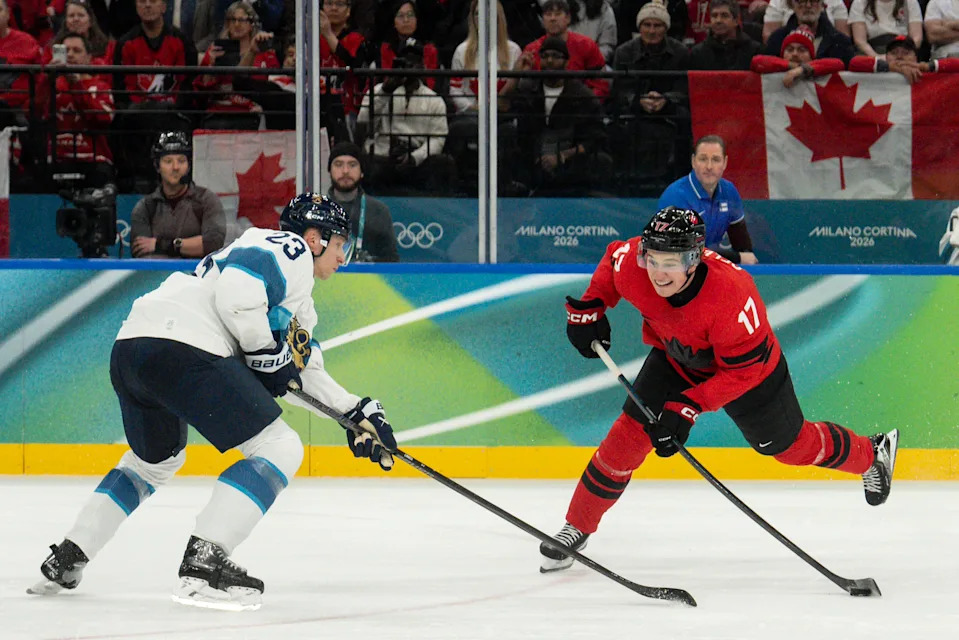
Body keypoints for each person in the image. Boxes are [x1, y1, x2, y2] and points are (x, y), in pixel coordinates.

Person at [28, 193, 398, 611]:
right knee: (279, 446)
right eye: (339, 244)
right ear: (314, 238)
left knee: (153, 461)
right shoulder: (289, 250)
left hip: (134, 346)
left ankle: (69, 554)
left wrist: (353, 412)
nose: (341, 256)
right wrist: (263, 352)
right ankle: (204, 562)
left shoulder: (295, 298)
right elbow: (242, 292)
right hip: (186, 345)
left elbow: (300, 369)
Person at [538, 207, 899, 572]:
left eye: (671, 262)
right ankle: (576, 527)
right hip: (678, 357)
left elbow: (741, 373)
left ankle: (871, 452)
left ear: (693, 259)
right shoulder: (634, 264)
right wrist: (589, 309)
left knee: (790, 448)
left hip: (748, 375)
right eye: (653, 259)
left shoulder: (731, 295)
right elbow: (613, 259)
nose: (658, 273)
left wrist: (687, 407)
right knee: (627, 436)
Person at [658, 135, 758, 265]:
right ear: (693, 161)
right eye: (703, 159)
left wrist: (744, 256)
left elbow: (743, 246)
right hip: (674, 269)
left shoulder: (729, 191)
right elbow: (685, 253)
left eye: (716, 160)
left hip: (710, 266)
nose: (709, 166)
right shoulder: (676, 196)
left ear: (725, 163)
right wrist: (737, 258)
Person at [129, 131, 226, 259]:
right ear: (157, 166)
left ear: (189, 165)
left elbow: (213, 245)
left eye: (181, 161)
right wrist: (190, 247)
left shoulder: (207, 199)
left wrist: (162, 245)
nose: (175, 167)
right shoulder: (145, 207)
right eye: (168, 161)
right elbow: (142, 252)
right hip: (159, 277)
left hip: (198, 277)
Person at [194, 0, 280, 130]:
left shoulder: (265, 53)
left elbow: (273, 88)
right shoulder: (215, 50)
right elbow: (201, 93)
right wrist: (210, 68)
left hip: (252, 113)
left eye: (242, 20)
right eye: (232, 20)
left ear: (252, 24)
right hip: (219, 113)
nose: (237, 24)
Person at [326, 141, 399, 262]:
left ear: (362, 172)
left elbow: (391, 260)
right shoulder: (316, 209)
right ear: (329, 171)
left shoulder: (378, 211)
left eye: (352, 165)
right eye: (338, 164)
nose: (345, 171)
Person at [764, 0, 856, 65]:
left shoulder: (840, 42)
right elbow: (764, 64)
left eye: (814, 1)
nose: (808, 5)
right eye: (802, 1)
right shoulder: (777, 39)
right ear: (793, 5)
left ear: (822, 6)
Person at [751, 25, 845, 87]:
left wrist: (803, 69)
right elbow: (756, 61)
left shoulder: (817, 68)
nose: (795, 54)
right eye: (790, 49)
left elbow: (838, 63)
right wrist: (793, 66)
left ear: (811, 56)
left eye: (802, 50)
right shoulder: (776, 65)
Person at [688, 0, 762, 70]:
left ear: (736, 21)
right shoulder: (697, 53)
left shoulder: (754, 51)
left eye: (724, 15)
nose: (718, 20)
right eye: (714, 16)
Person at [848, 34, 959, 81]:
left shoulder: (927, 73)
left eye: (906, 53)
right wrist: (892, 68)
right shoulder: (877, 73)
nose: (900, 56)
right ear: (886, 57)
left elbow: (956, 64)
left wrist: (925, 66)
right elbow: (854, 62)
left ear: (916, 57)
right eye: (894, 53)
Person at [848, 0, 923, 57]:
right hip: (872, 50)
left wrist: (904, 55)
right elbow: (860, 41)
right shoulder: (859, 2)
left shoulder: (910, 2)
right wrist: (877, 58)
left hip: (903, 49)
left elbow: (917, 38)